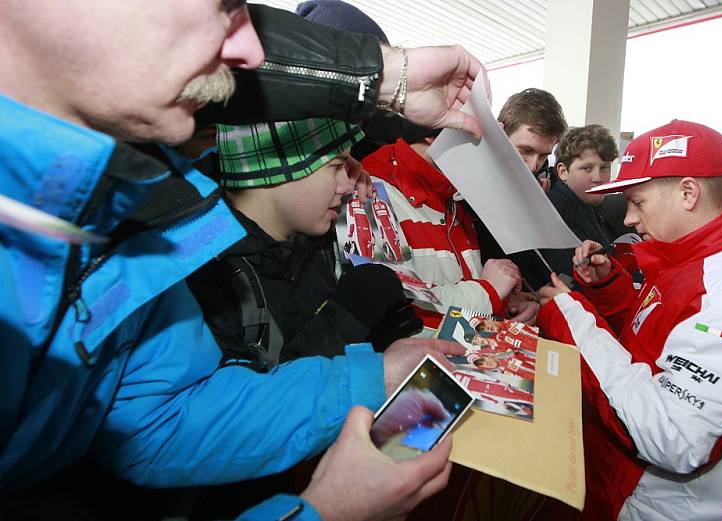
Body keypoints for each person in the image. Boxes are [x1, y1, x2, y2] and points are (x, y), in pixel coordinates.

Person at [0, 1, 486, 519]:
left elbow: (160, 416)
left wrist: (376, 378)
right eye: (223, 5)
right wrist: (323, 511)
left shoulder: (125, 209)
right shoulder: (189, 240)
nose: (251, 48)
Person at [536, 120, 722, 520]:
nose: (628, 219)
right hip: (626, 487)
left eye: (638, 202)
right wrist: (609, 288)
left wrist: (570, 315)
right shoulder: (700, 260)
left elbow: (672, 437)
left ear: (688, 193)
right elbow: (660, 343)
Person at [187, 118, 419, 372]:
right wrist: (348, 318)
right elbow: (254, 400)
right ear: (279, 168)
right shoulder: (206, 275)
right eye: (336, 167)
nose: (348, 184)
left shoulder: (313, 236)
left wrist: (377, 340)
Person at [360, 126, 537, 332]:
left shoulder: (453, 198)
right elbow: (390, 307)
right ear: (435, 131)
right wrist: (488, 292)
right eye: (479, 139)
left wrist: (504, 307)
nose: (489, 153)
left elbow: (460, 293)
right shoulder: (367, 195)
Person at [469, 88, 569, 288]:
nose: (533, 166)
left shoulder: (534, 192)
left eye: (543, 156)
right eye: (525, 150)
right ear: (499, 133)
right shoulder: (462, 189)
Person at [539, 124, 619, 279]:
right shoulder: (558, 214)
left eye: (604, 168)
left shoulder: (587, 206)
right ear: (563, 172)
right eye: (587, 169)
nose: (598, 178)